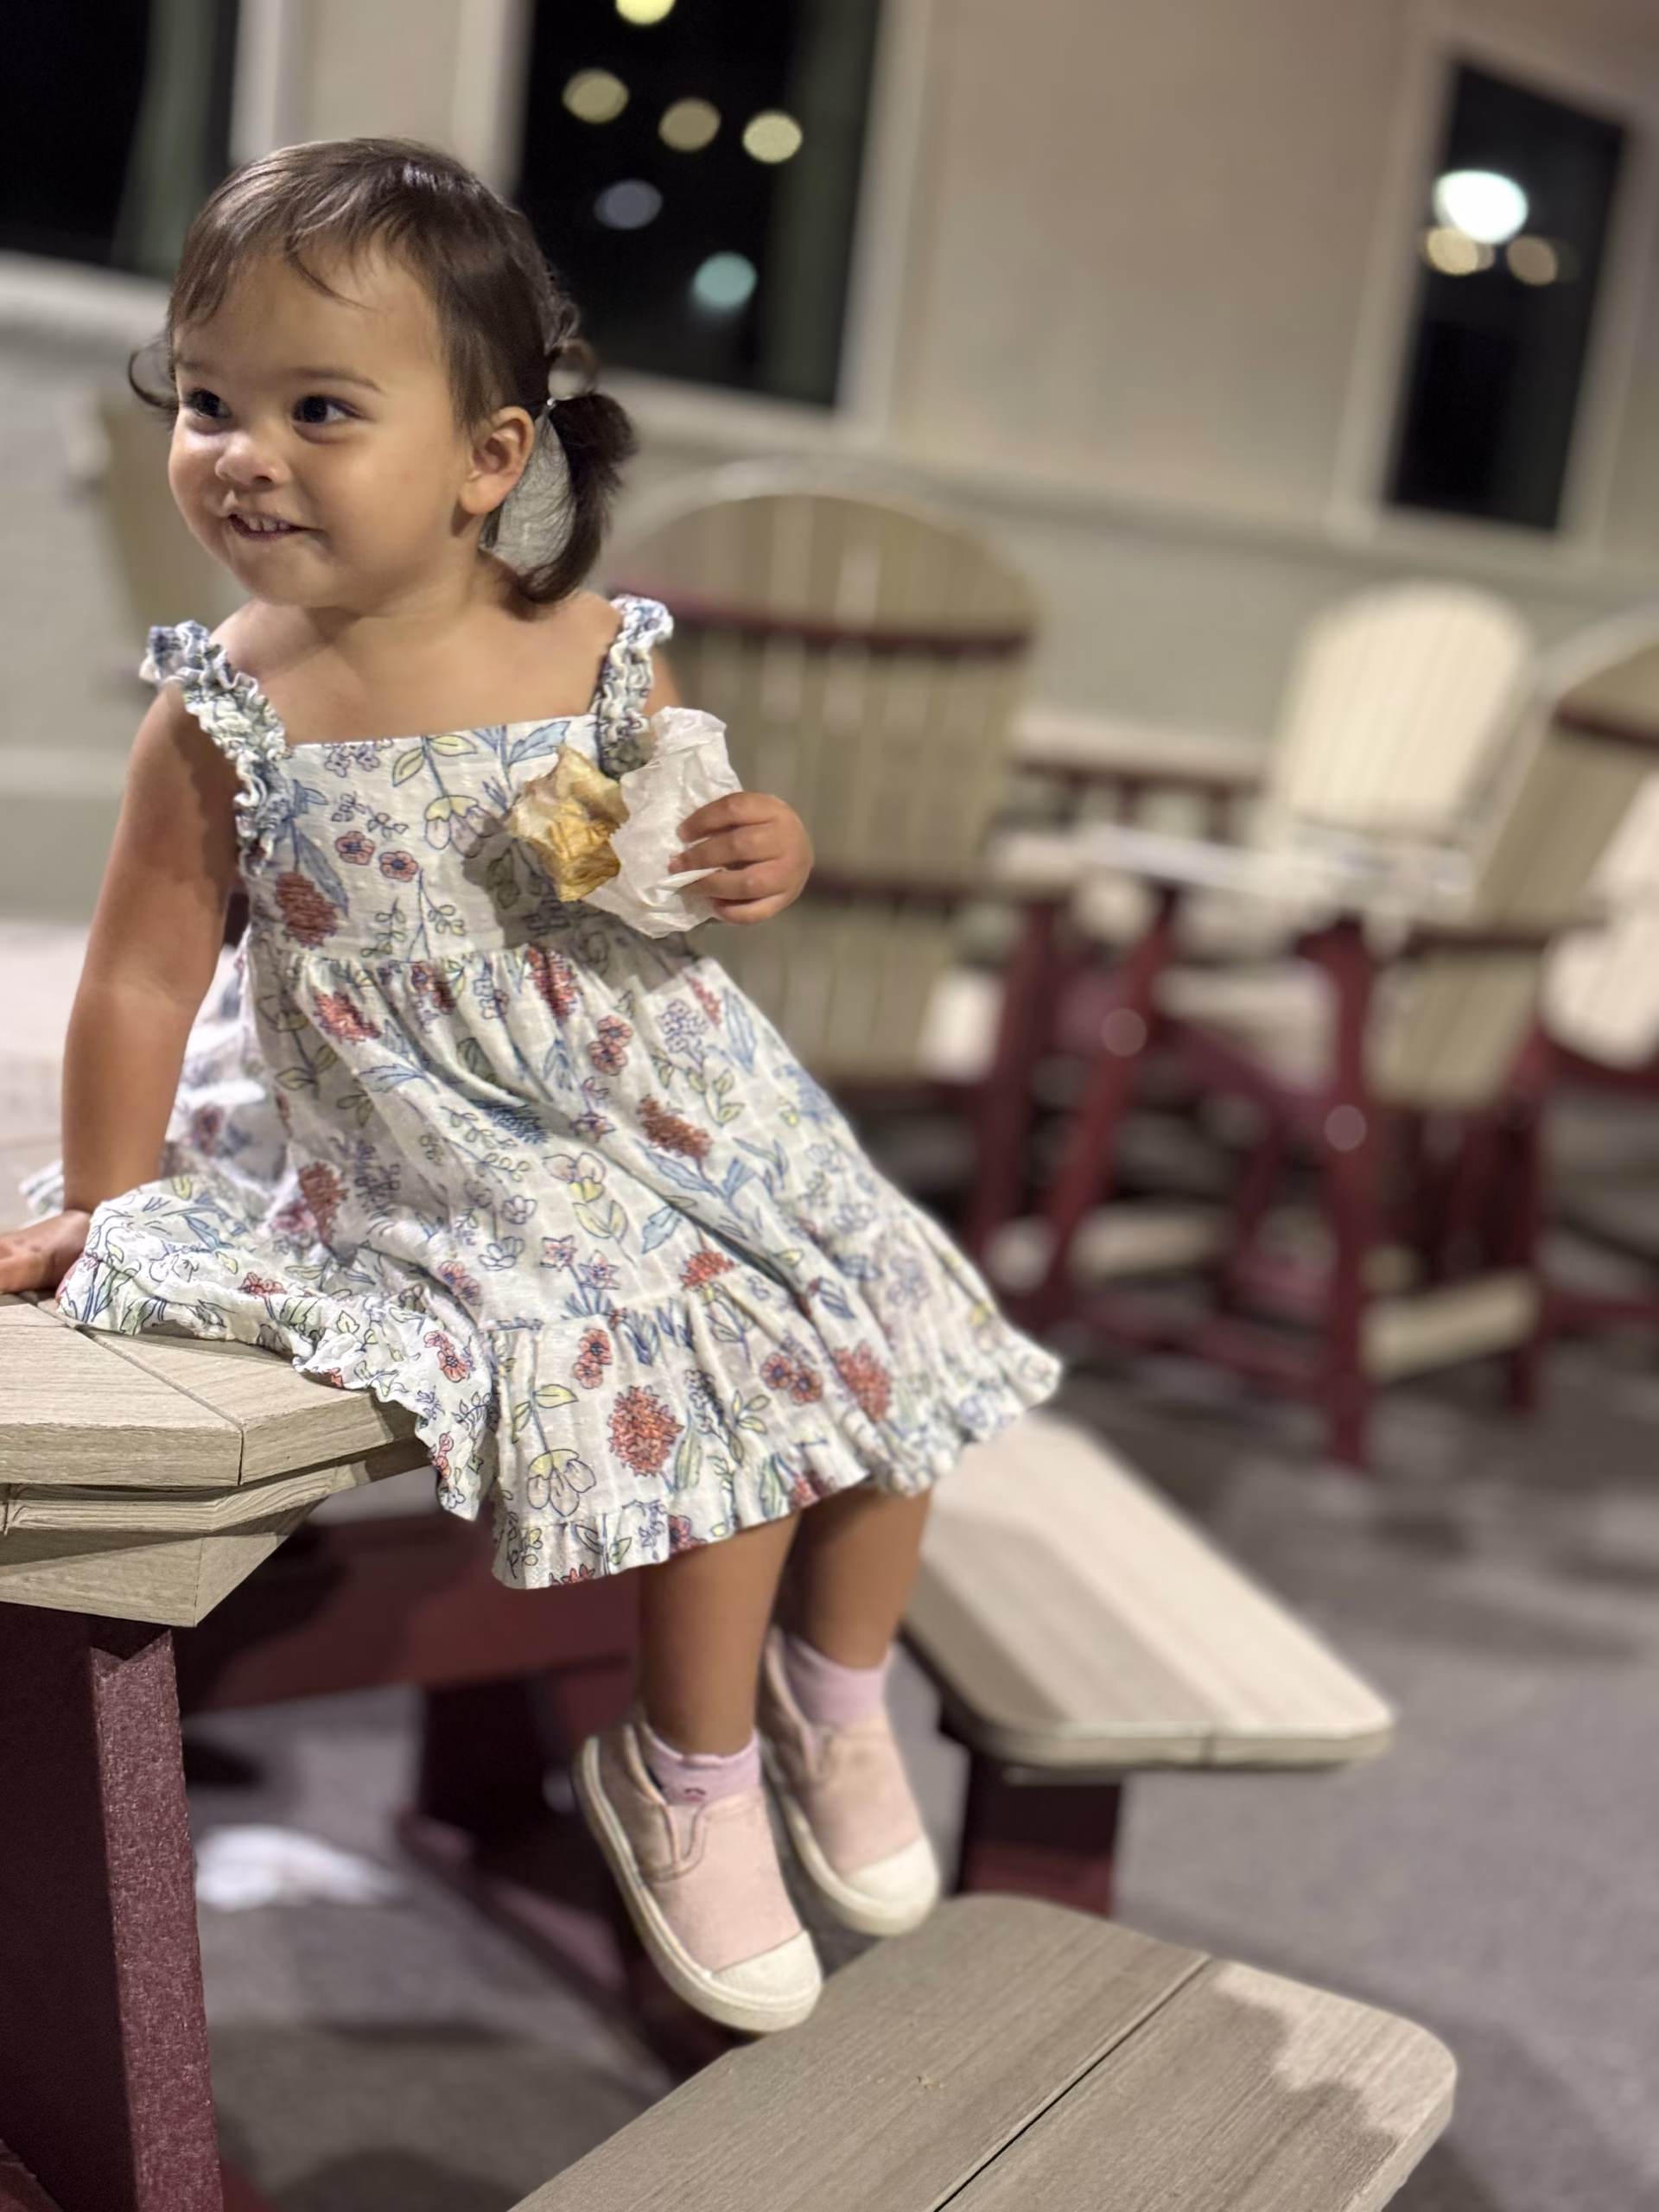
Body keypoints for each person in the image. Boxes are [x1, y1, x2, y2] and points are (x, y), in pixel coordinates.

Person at [0, 139, 1059, 2034]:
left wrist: (755, 850)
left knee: (885, 1286)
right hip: (409, 1123)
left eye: (321, 410)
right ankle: (687, 1769)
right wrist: (111, 1193)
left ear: (490, 455)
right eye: (210, 402)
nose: (243, 454)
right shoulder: (229, 698)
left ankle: (833, 1690)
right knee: (707, 1342)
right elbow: (148, 961)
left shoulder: (594, 650)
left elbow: (660, 856)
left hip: (638, 1067)